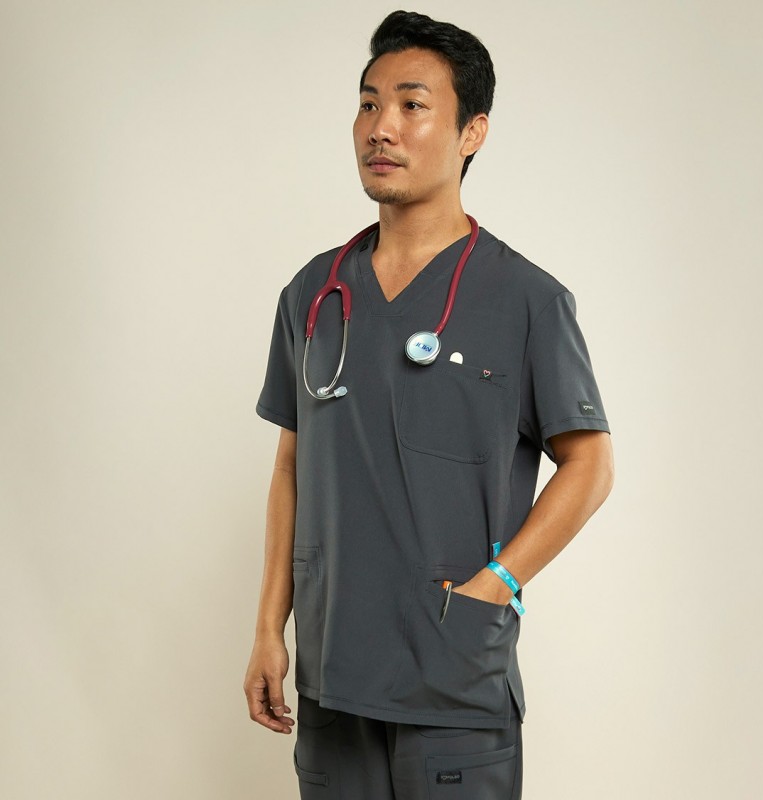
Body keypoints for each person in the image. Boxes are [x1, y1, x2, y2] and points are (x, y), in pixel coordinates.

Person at [244, 10, 614, 799]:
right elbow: (292, 466)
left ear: (471, 132)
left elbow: (591, 464)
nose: (382, 127)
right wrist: (269, 628)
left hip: (454, 684)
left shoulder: (526, 299)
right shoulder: (313, 293)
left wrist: (496, 586)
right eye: (368, 103)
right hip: (333, 677)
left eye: (412, 105)